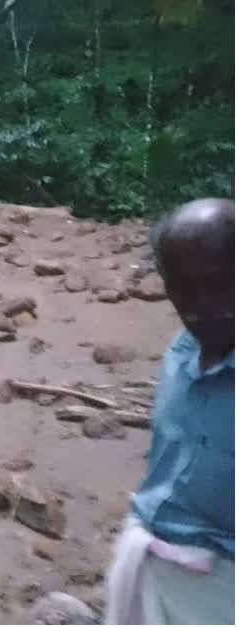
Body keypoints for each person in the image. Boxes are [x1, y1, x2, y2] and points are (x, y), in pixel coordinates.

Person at [105, 198, 234, 625]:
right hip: (150, 555)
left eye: (217, 283)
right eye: (181, 287)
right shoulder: (180, 356)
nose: (198, 304)